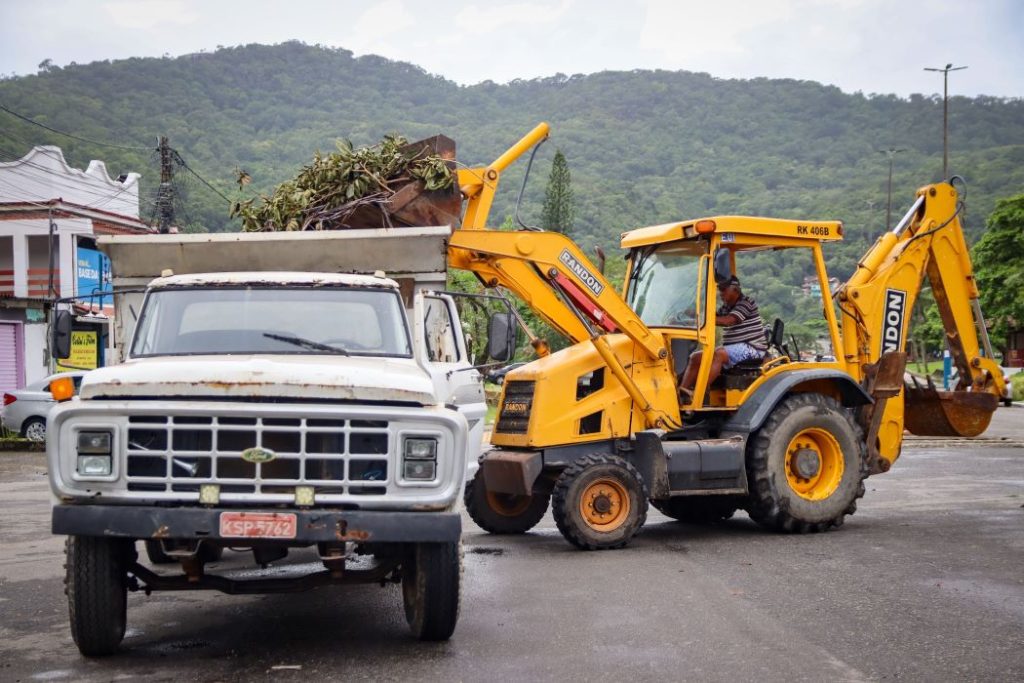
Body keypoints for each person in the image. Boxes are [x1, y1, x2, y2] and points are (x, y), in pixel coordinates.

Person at [679, 275, 766, 402]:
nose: (720, 293)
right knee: (695, 357)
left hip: (752, 348)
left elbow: (727, 321)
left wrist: (704, 317)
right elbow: (712, 316)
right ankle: (683, 392)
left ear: (735, 290)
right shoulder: (727, 306)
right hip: (733, 348)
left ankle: (698, 393)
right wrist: (693, 314)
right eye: (719, 289)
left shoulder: (746, 303)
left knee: (718, 354)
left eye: (723, 289)